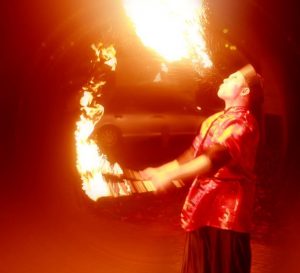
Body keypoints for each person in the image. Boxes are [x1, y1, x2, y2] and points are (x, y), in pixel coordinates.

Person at [141, 64, 264, 273]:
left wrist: (170, 176)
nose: (225, 80)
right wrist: (160, 171)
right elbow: (192, 156)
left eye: (233, 78)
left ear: (244, 91)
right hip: (202, 210)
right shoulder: (213, 120)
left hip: (227, 220)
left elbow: (213, 158)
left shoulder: (243, 122)